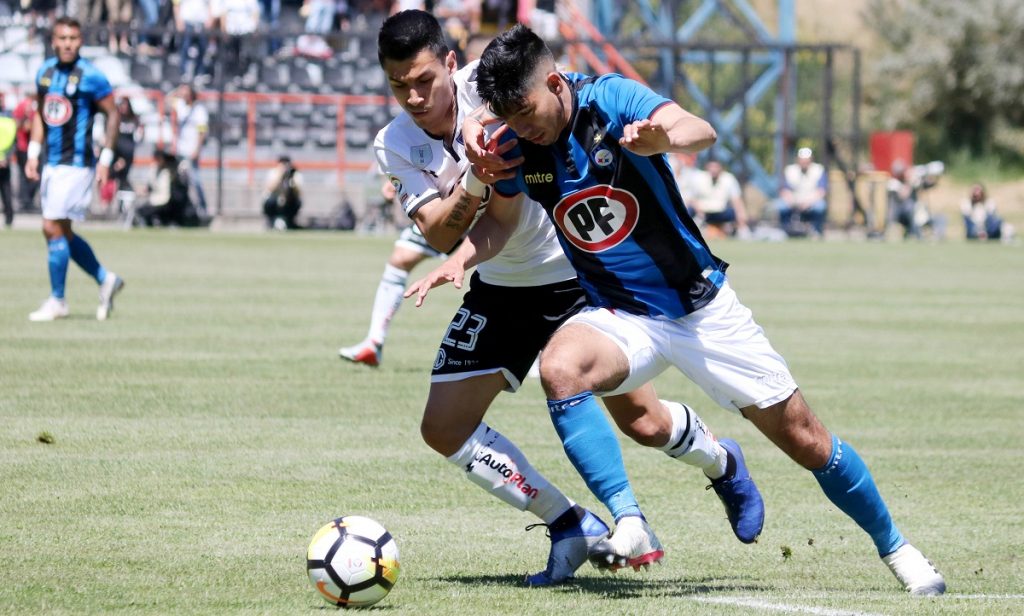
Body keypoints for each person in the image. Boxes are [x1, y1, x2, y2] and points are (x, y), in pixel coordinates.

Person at [465, 24, 945, 595]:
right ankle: (631, 522)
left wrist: (664, 138)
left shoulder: (609, 99)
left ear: (553, 82)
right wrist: (466, 205)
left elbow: (700, 128)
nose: (520, 126)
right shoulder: (514, 139)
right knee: (561, 368)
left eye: (525, 111)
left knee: (806, 439)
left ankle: (899, 550)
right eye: (506, 116)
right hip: (621, 316)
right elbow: (472, 141)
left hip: (700, 308)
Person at [359, 10, 764, 586]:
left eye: (424, 79)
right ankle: (571, 522)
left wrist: (485, 118)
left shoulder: (495, 79)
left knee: (645, 424)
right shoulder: (393, 143)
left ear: (451, 64)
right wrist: (476, 177)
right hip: (499, 286)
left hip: (577, 277)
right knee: (442, 428)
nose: (415, 97)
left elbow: (564, 98)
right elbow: (441, 233)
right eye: (399, 86)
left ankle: (722, 462)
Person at [25, 17, 126, 322]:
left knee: (50, 226)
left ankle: (58, 300)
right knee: (62, 231)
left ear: (81, 41)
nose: (68, 43)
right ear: (53, 41)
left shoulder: (92, 76)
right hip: (52, 162)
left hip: (77, 163)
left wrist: (106, 159)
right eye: (62, 38)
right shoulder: (44, 72)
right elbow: (42, 115)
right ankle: (105, 278)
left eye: (73, 38)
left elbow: (113, 115)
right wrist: (33, 152)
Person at [167, 84, 209, 216]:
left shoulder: (199, 110)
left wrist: (197, 149)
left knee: (195, 180)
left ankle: (203, 208)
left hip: (192, 151)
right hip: (180, 150)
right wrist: (177, 92)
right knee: (179, 181)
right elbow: (167, 100)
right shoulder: (181, 106)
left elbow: (202, 131)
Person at [685, 158, 752, 238]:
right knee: (688, 210)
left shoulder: (729, 179)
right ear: (707, 167)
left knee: (736, 212)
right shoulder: (699, 177)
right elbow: (691, 198)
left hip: (721, 212)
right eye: (712, 167)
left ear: (721, 168)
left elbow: (736, 200)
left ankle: (739, 232)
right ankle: (684, 233)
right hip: (702, 212)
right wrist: (699, 210)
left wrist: (741, 217)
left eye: (716, 167)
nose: (714, 170)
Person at [778, 147, 828, 237]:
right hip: (794, 201)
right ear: (798, 160)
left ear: (811, 159)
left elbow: (821, 191)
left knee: (820, 206)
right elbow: (784, 190)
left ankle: (816, 231)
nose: (804, 162)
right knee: (781, 205)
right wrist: (792, 201)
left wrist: (808, 203)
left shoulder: (819, 170)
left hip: (811, 202)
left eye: (806, 160)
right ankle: (785, 231)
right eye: (802, 160)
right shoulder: (790, 170)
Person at [133, 148, 189, 227]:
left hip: (167, 201)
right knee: (141, 211)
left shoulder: (171, 171)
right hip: (156, 200)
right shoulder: (155, 170)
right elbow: (151, 186)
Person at [13, 93, 41, 213]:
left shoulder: (24, 105)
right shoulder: (26, 106)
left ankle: (26, 201)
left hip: (25, 146)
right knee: (28, 175)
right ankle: (25, 202)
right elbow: (25, 127)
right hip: (24, 146)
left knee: (28, 175)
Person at [262, 155, 302, 230]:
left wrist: (291, 180)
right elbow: (270, 189)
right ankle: (271, 221)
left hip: (288, 201)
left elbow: (298, 193)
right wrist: (280, 176)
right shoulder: (273, 172)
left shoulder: (294, 174)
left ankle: (290, 222)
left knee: (296, 202)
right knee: (271, 201)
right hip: (273, 200)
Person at [0, 94, 15, 228]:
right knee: (6, 189)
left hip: (4, 160)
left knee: (6, 190)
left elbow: (11, 139)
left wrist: (6, 157)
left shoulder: (9, 118)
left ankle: (9, 217)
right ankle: (9, 217)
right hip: (4, 159)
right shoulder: (9, 118)